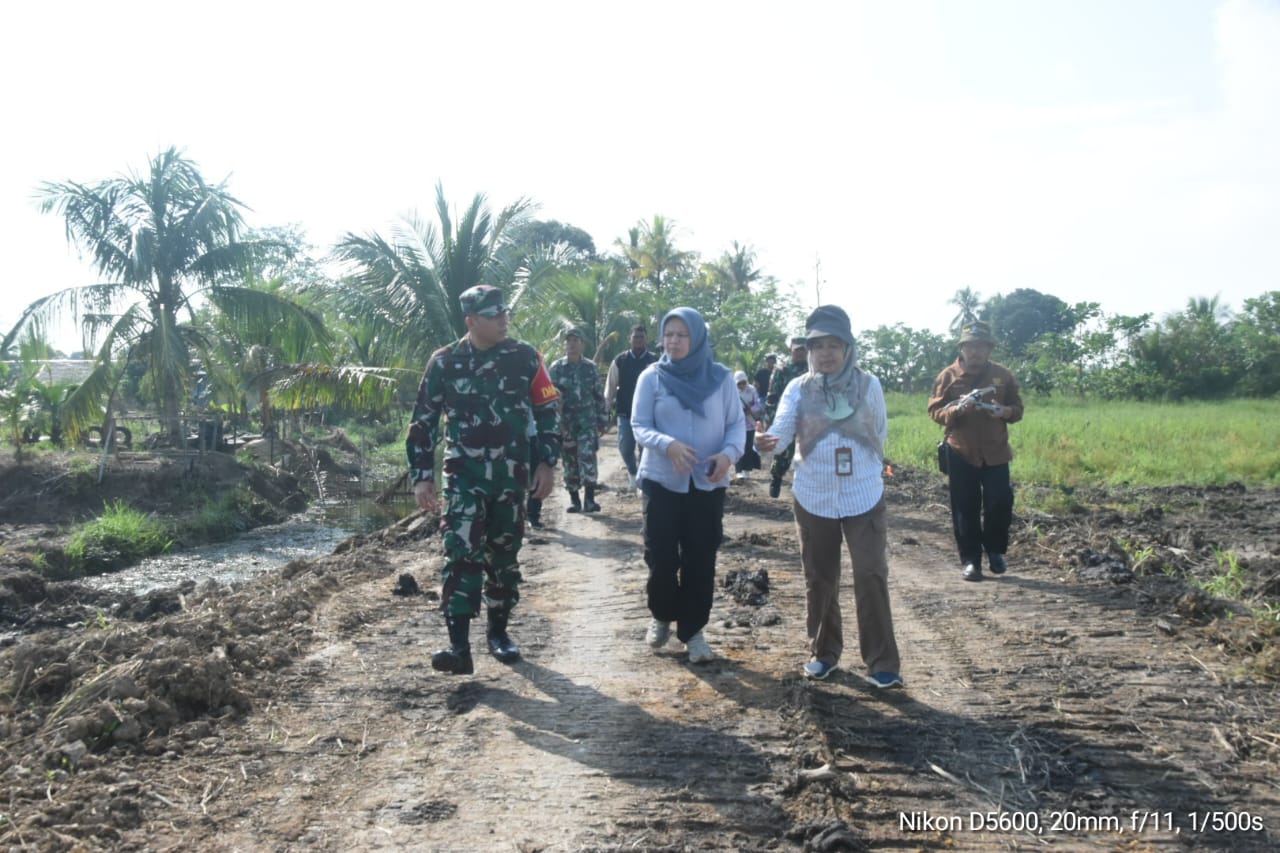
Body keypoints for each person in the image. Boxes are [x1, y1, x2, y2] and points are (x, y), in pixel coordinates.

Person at [407, 284, 560, 675]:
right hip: (463, 476)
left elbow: (546, 411)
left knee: (504, 556)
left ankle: (499, 633)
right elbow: (422, 422)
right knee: (460, 553)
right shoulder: (444, 362)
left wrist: (547, 463)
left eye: (505, 312)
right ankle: (458, 647)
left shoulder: (526, 358)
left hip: (511, 477)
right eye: (494, 315)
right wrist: (421, 477)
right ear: (471, 321)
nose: (504, 319)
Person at [756, 305, 903, 688]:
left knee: (871, 574)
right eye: (817, 345)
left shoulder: (869, 385)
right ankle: (824, 653)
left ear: (848, 347)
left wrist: (857, 464)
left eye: (833, 345)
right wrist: (767, 442)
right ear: (808, 350)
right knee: (819, 579)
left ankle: (882, 662)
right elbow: (782, 430)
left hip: (863, 493)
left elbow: (880, 433)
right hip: (813, 496)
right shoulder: (797, 388)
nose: (824, 353)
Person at [631, 307, 744, 664]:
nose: (674, 341)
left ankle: (693, 632)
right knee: (660, 555)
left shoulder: (722, 379)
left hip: (707, 483)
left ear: (697, 339)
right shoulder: (652, 377)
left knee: (700, 558)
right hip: (662, 481)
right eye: (669, 334)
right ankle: (662, 614)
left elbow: (736, 426)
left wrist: (727, 456)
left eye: (682, 335)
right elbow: (639, 424)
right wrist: (669, 445)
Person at [927, 319, 1024, 582]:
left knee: (999, 503)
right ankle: (971, 561)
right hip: (961, 451)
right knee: (965, 508)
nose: (976, 352)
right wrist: (957, 410)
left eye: (981, 347)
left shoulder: (1002, 375)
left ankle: (995, 551)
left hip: (996, 452)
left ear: (989, 350)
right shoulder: (947, 376)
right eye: (970, 347)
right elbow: (935, 411)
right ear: (962, 348)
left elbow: (1018, 409)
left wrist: (1005, 412)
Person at [549, 327, 609, 513]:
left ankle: (590, 500)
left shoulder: (590, 367)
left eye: (575, 341)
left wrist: (603, 420)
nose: (572, 344)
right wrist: (557, 426)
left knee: (588, 457)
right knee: (570, 461)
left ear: (582, 344)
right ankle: (574, 500)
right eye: (568, 341)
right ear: (564, 344)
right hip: (566, 423)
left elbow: (599, 395)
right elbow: (551, 399)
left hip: (587, 421)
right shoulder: (556, 368)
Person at [605, 324, 658, 492]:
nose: (638, 340)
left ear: (646, 339)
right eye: (635, 337)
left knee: (646, 448)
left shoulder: (654, 361)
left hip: (650, 414)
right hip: (625, 413)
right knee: (625, 447)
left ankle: (642, 479)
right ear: (630, 339)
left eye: (641, 337)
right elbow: (611, 387)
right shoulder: (620, 360)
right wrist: (606, 408)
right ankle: (633, 474)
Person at [765, 336, 809, 498]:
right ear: (791, 350)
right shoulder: (782, 370)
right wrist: (771, 421)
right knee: (784, 450)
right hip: (786, 416)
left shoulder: (814, 369)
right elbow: (772, 397)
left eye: (803, 350)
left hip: (809, 418)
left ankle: (804, 487)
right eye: (797, 350)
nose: (800, 353)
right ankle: (776, 477)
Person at [734, 370, 763, 479]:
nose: (742, 385)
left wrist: (750, 409)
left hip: (750, 423)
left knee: (748, 447)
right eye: (739, 383)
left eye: (743, 382)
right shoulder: (733, 391)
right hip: (738, 424)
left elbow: (758, 404)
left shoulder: (752, 390)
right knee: (739, 447)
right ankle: (738, 470)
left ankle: (747, 469)